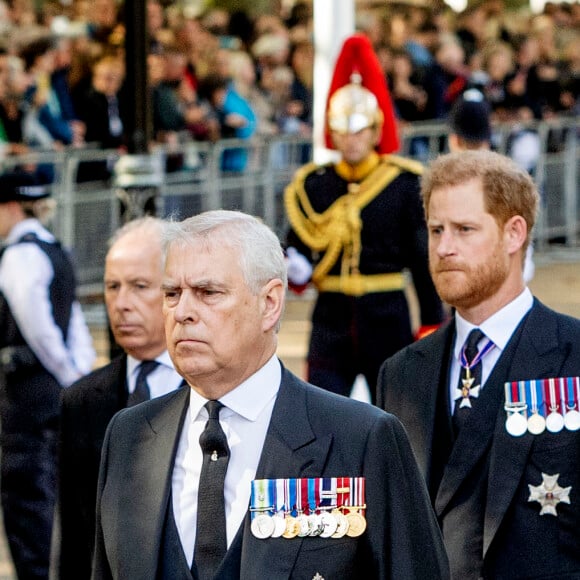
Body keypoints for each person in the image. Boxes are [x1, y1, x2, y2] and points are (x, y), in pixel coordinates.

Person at [92, 210, 449, 580]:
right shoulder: (129, 434)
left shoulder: (361, 439)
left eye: (207, 292)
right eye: (172, 294)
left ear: (270, 304)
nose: (182, 312)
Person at [377, 150, 580, 580]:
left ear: (514, 233)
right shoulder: (399, 374)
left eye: (464, 229)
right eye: (435, 230)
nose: (444, 248)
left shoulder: (573, 353)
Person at [284, 34, 444, 402]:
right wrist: (296, 264)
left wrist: (431, 322)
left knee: (398, 413)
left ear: (374, 131)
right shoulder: (315, 184)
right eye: (342, 131)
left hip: (387, 314)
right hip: (331, 318)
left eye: (359, 131)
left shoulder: (403, 184)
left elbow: (421, 257)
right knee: (320, 413)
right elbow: (300, 241)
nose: (351, 140)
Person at [58, 217, 185, 580]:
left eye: (139, 286)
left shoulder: (211, 393)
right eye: (112, 287)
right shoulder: (81, 399)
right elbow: (72, 534)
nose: (121, 303)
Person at [0, 170, 95, 580]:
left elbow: (38, 327)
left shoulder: (19, 254)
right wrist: (77, 374)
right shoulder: (55, 250)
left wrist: (63, 371)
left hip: (27, 390)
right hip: (56, 387)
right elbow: (73, 322)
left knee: (26, 496)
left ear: (10, 206)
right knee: (57, 489)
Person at [448, 88, 535, 282]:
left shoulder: (443, 185)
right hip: (502, 282)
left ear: (454, 138)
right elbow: (524, 260)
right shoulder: (510, 179)